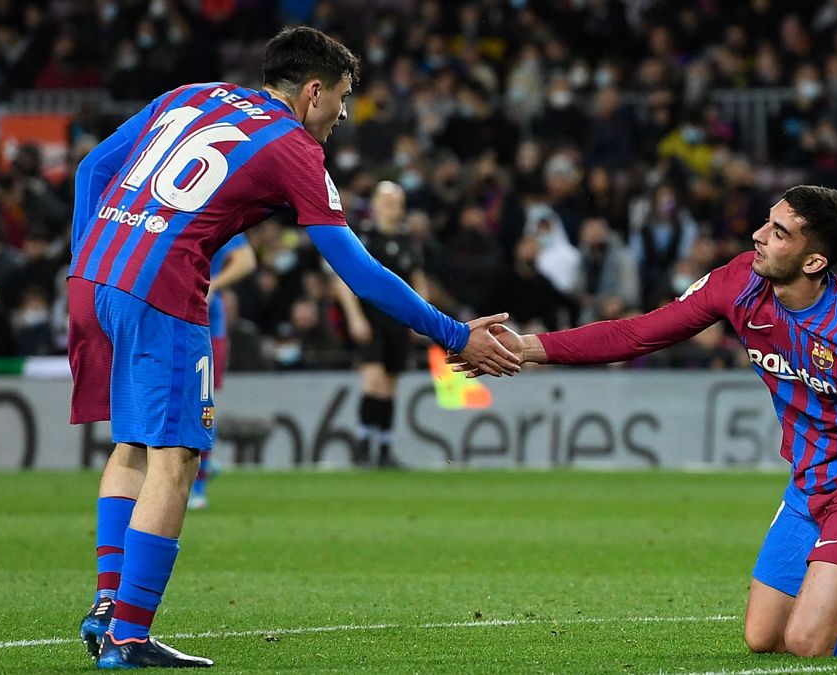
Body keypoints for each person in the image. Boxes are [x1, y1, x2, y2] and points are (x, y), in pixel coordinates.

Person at [69, 26, 520, 669]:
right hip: (161, 291)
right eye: (341, 98)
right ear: (312, 92)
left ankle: (108, 608)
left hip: (96, 277)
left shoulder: (194, 94)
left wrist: (86, 256)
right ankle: (128, 636)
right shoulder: (292, 147)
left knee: (134, 444)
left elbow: (92, 168)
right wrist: (455, 334)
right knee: (176, 458)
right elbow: (357, 270)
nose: (341, 115)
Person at [451, 185, 837, 658]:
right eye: (766, 224)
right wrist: (526, 348)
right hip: (807, 483)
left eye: (777, 232)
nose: (757, 236)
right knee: (762, 636)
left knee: (809, 643)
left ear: (815, 259)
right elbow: (638, 332)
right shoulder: (738, 283)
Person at [335, 181, 422, 468]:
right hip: (371, 319)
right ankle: (362, 444)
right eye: (385, 200)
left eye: (396, 201)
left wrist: (422, 317)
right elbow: (342, 279)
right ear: (374, 205)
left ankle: (384, 448)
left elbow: (418, 281)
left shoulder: (409, 239)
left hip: (398, 321)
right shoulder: (362, 237)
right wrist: (355, 317)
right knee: (373, 382)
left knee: (390, 386)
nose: (391, 206)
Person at [188, 233, 257, 510]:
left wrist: (213, 284)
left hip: (206, 322)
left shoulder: (213, 204)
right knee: (180, 403)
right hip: (166, 319)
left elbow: (246, 260)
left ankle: (198, 483)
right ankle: (203, 461)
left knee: (201, 403)